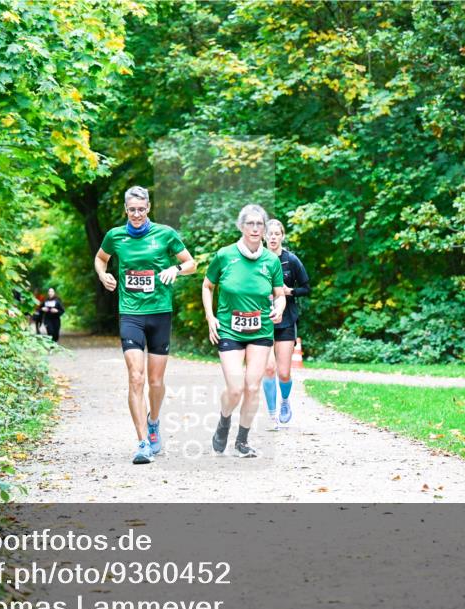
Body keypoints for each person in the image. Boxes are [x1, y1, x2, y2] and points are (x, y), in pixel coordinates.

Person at [94, 185, 197, 464]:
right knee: (136, 377)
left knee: (155, 381)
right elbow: (101, 259)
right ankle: (142, 442)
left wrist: (174, 269)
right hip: (130, 313)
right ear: (125, 210)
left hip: (160, 312)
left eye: (141, 209)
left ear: (148, 208)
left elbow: (191, 264)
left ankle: (154, 421)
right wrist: (103, 275)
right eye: (132, 210)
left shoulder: (165, 234)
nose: (136, 214)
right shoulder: (115, 236)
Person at [202, 204, 285, 458]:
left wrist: (279, 308)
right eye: (250, 223)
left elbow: (279, 294)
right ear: (241, 226)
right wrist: (210, 317)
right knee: (236, 388)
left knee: (252, 387)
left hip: (261, 329)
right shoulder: (225, 256)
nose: (255, 228)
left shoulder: (271, 261)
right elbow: (207, 286)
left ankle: (242, 440)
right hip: (229, 329)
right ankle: (224, 421)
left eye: (259, 224)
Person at [262, 219, 311, 428]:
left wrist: (289, 291)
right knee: (269, 369)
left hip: (286, 319)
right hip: (262, 320)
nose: (273, 237)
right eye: (269, 234)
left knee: (283, 372)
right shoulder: (258, 259)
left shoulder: (291, 260)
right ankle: (272, 415)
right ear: (264, 237)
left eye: (276, 234)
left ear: (282, 236)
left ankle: (284, 402)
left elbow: (307, 288)